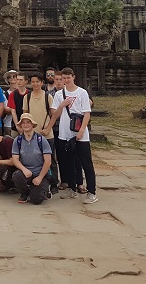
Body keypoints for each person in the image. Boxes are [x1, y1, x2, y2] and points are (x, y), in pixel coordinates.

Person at [50, 68, 98, 204]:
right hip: (65, 133)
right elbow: (55, 114)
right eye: (63, 78)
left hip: (80, 133)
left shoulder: (82, 93)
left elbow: (86, 113)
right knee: (68, 163)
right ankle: (72, 188)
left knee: (86, 163)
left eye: (68, 78)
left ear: (73, 77)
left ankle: (92, 192)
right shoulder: (59, 94)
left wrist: (82, 130)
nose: (66, 80)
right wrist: (62, 105)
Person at [21, 72, 57, 188]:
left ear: (42, 82)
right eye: (33, 82)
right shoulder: (27, 97)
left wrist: (48, 129)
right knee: (33, 158)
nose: (35, 84)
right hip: (32, 134)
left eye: (37, 81)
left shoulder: (48, 97)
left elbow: (54, 116)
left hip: (46, 133)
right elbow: (25, 116)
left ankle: (53, 183)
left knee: (50, 159)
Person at [12, 113, 53, 205]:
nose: (26, 125)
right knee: (16, 176)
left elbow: (48, 161)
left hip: (40, 173)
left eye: (28, 122)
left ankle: (43, 189)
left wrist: (40, 177)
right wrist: (24, 169)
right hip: (27, 172)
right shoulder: (17, 140)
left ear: (32, 125)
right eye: (23, 123)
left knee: (36, 200)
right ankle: (25, 193)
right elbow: (15, 159)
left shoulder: (41, 140)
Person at [1, 70, 18, 135]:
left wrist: (12, 109)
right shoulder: (4, 94)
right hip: (8, 124)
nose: (12, 78)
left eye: (14, 76)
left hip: (22, 124)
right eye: (9, 77)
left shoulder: (23, 92)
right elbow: (6, 110)